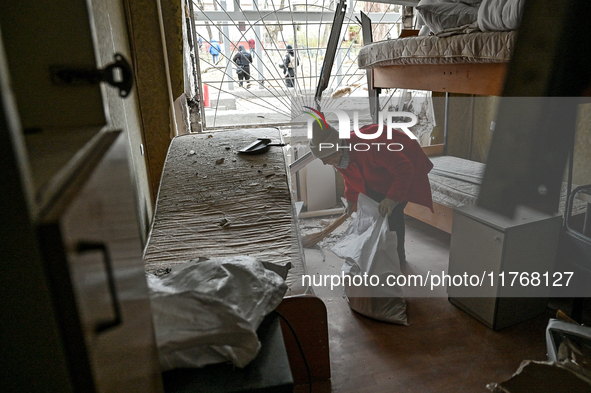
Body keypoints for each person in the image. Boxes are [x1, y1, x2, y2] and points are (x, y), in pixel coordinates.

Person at [309, 121, 434, 264]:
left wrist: (391, 198)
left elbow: (405, 168)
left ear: (339, 151)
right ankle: (378, 253)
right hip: (382, 170)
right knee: (374, 212)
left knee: (392, 216)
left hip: (405, 164)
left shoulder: (372, 146)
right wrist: (351, 199)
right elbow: (349, 175)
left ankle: (397, 259)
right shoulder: (338, 154)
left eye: (326, 160)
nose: (325, 164)